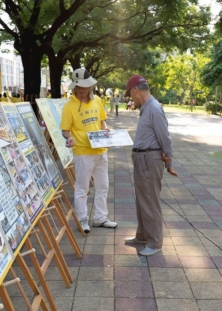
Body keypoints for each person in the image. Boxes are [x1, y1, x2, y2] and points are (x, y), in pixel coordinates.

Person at [124, 75, 177, 256]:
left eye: (130, 95)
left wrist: (169, 161)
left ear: (135, 90)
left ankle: (155, 243)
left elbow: (165, 137)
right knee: (142, 200)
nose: (131, 99)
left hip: (149, 159)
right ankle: (143, 235)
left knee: (149, 201)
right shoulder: (147, 108)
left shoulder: (153, 108)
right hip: (143, 158)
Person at [60, 68, 117, 233]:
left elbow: (102, 122)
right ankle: (82, 219)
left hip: (100, 150)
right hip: (82, 152)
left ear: (90, 86)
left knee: (103, 186)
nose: (82, 90)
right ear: (74, 87)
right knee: (82, 188)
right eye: (78, 87)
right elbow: (65, 130)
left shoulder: (97, 101)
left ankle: (100, 218)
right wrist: (68, 137)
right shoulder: (69, 106)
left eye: (85, 86)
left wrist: (106, 131)